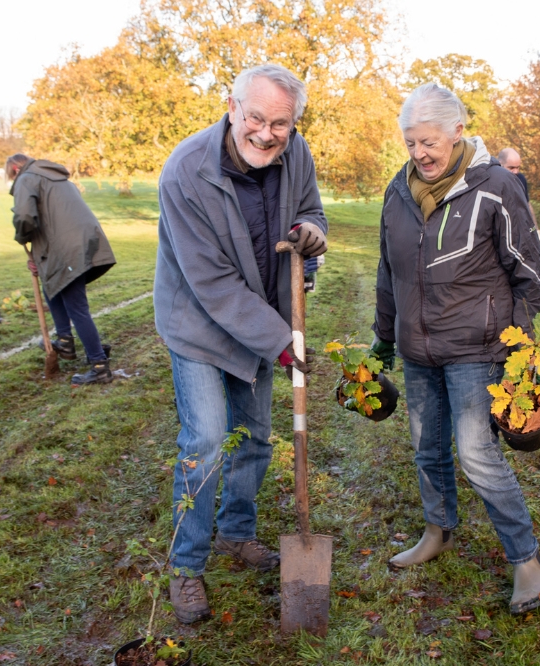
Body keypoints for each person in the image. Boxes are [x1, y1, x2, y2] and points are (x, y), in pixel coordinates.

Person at [153, 64, 328, 624]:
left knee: (253, 436)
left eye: (280, 122)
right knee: (205, 441)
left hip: (263, 316)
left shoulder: (296, 152)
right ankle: (186, 566)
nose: (266, 133)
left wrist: (311, 233)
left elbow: (311, 212)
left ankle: (236, 532)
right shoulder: (185, 171)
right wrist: (281, 341)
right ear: (231, 107)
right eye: (256, 117)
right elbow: (211, 285)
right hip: (201, 324)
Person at [372, 83, 540, 615]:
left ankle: (527, 560)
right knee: (427, 447)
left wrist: (521, 352)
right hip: (417, 348)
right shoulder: (397, 191)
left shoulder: (496, 185)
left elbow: (530, 273)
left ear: (457, 131)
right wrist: (385, 336)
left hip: (478, 347)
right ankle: (438, 531)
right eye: (410, 143)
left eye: (428, 141)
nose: (420, 153)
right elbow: (389, 271)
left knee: (477, 455)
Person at [6, 154, 116, 385]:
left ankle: (99, 366)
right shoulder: (55, 176)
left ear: (15, 169)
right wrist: (38, 256)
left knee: (76, 306)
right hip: (82, 242)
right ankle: (65, 340)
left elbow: (25, 216)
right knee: (53, 286)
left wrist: (21, 238)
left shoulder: (27, 178)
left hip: (66, 247)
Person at [497, 147, 540, 252]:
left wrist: (537, 232)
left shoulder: (520, 179)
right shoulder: (490, 181)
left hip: (516, 233)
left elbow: (526, 206)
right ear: (500, 164)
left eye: (518, 167)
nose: (516, 171)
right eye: (511, 168)